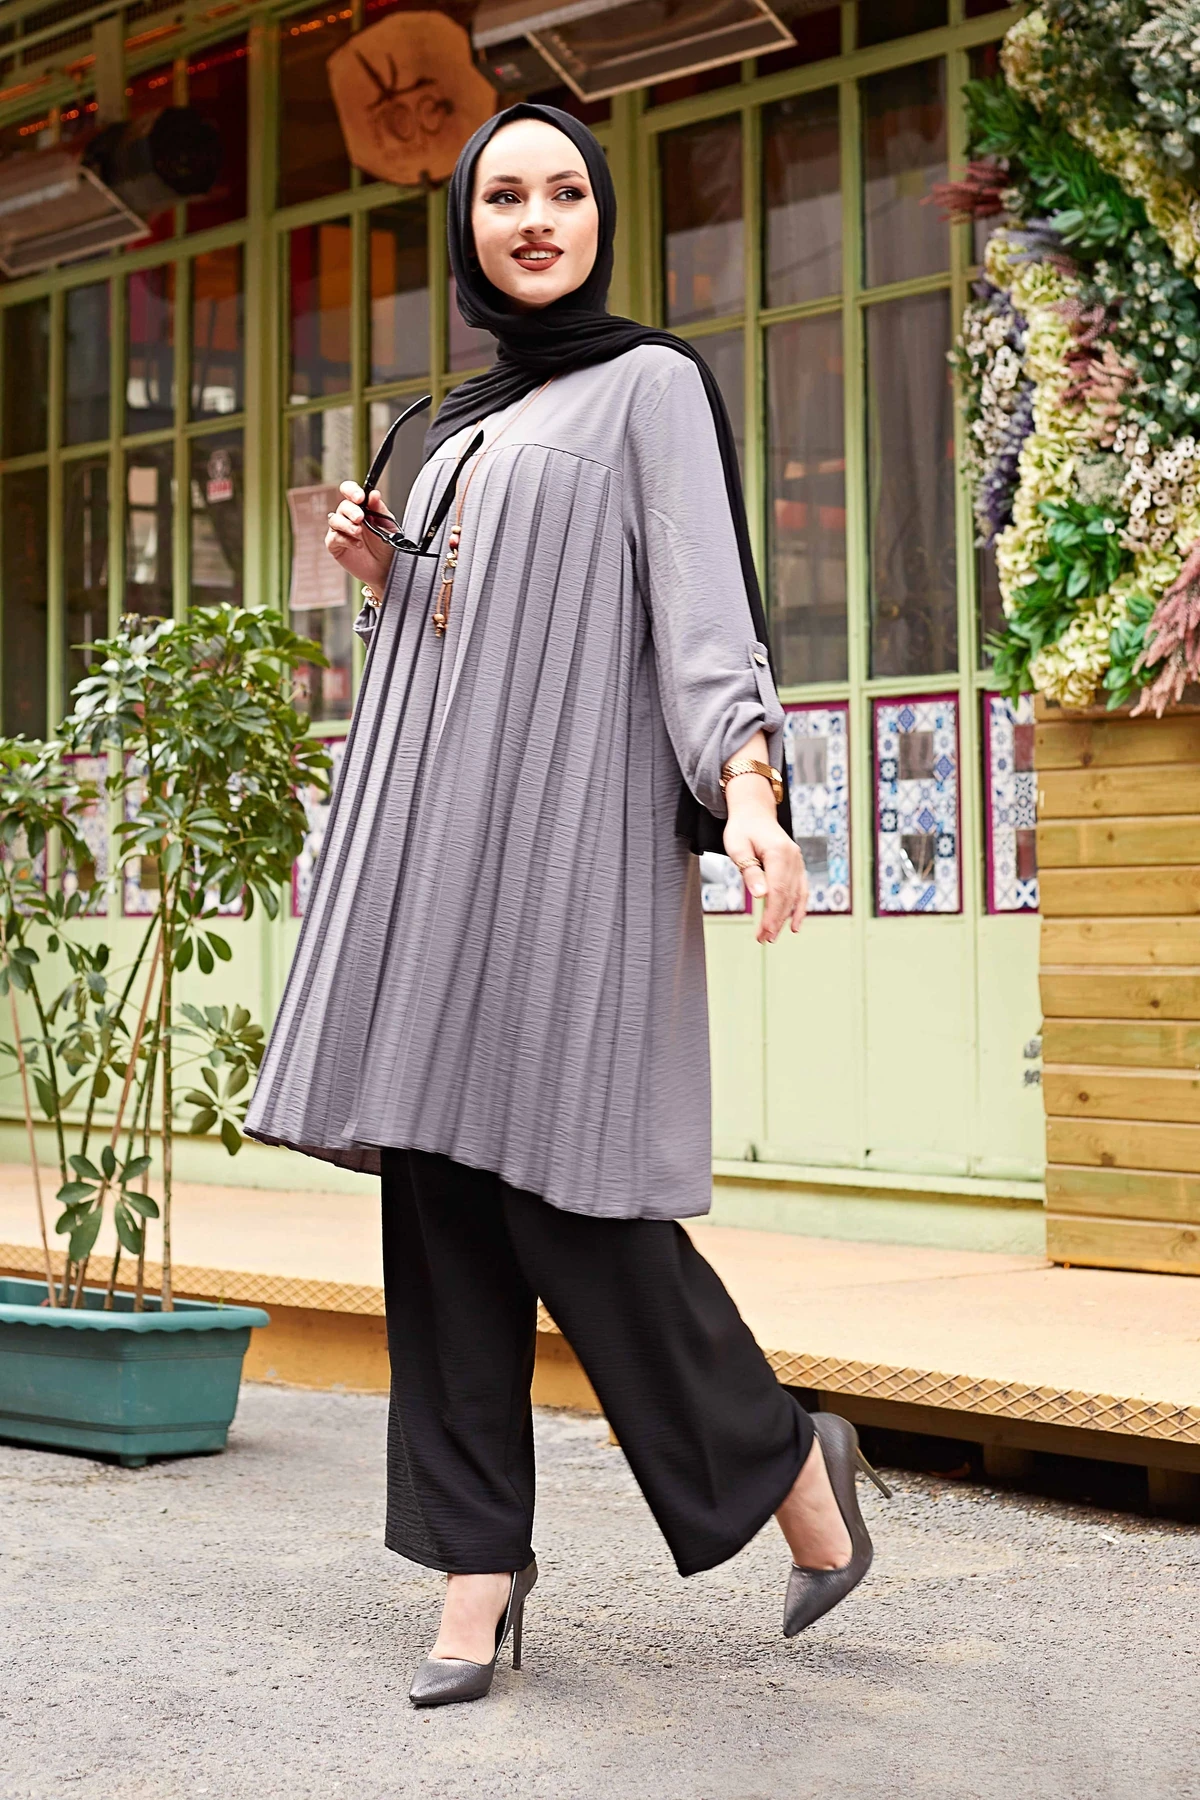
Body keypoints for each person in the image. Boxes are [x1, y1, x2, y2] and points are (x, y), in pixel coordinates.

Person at [245, 101, 888, 1710]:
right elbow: (472, 636)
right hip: (431, 857)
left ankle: (784, 1461)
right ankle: (476, 1566)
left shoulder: (648, 385)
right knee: (440, 1206)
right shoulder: (461, 417)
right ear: (465, 225)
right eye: (504, 196)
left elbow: (701, 611)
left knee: (578, 1201)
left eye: (564, 192)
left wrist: (751, 794)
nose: (535, 218)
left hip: (567, 857)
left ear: (603, 216)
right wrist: (391, 577)